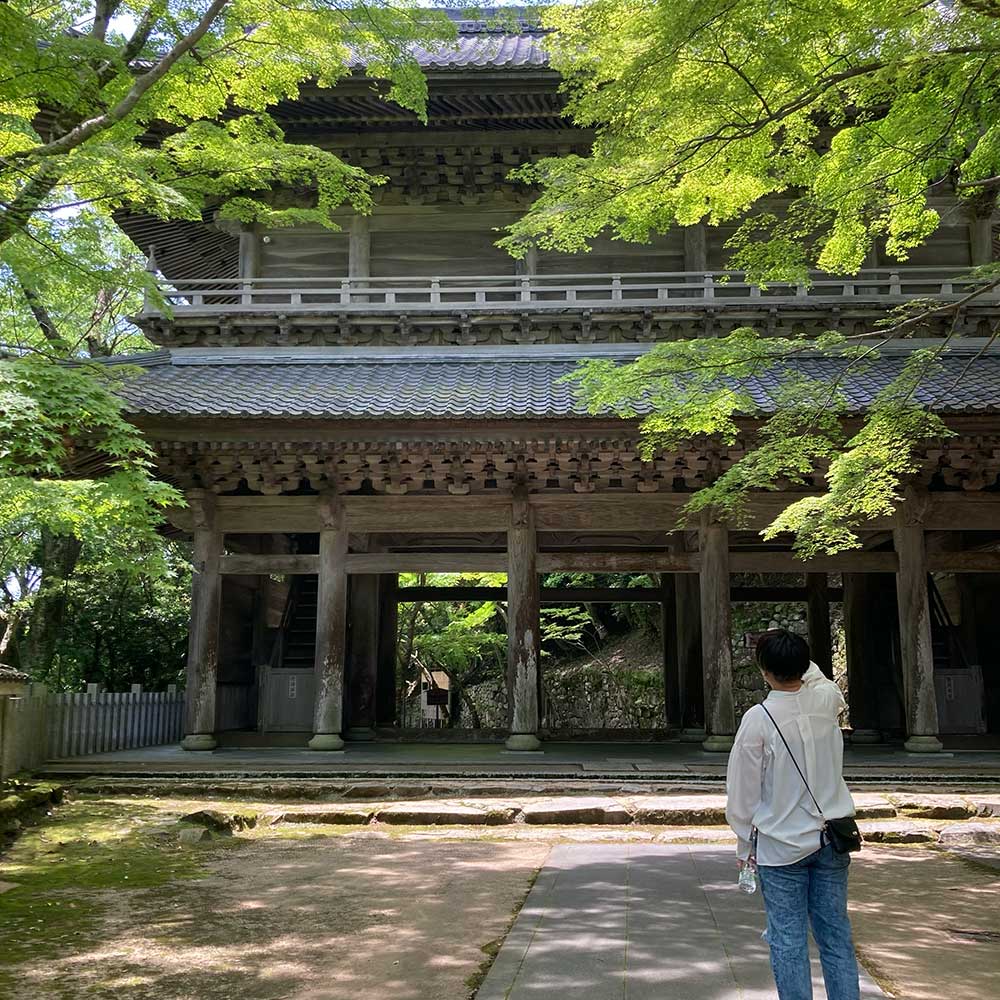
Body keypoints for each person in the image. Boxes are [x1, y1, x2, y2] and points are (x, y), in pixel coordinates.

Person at [726, 629, 861, 1000]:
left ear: (763, 670)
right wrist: (801, 663)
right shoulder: (826, 701)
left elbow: (742, 795)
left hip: (780, 845)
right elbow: (820, 679)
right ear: (804, 667)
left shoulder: (758, 719)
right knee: (836, 937)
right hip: (832, 839)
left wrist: (743, 845)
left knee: (787, 939)